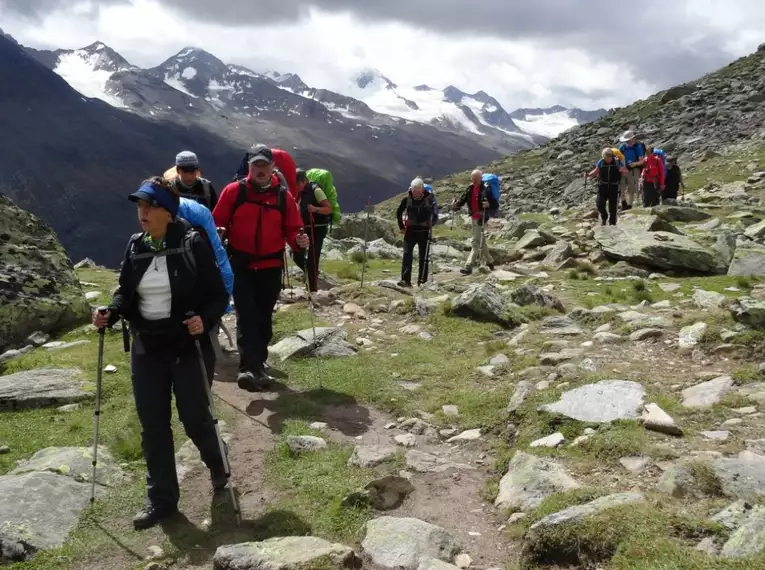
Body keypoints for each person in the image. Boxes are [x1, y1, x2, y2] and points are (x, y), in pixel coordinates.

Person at [92, 177, 228, 530]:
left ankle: (217, 463)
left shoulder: (191, 243)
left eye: (149, 206)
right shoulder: (136, 246)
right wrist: (111, 311)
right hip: (147, 347)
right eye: (139, 206)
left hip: (186, 345)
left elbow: (217, 295)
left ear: (168, 212)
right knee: (153, 425)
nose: (143, 213)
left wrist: (205, 319)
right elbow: (125, 291)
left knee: (195, 417)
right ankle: (161, 500)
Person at [213, 145, 308, 392]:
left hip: (270, 265)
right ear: (249, 167)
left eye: (265, 165)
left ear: (272, 167)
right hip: (241, 264)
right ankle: (248, 369)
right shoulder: (234, 191)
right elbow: (217, 221)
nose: (260, 170)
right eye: (256, 165)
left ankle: (259, 364)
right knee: (246, 316)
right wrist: (219, 232)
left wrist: (298, 241)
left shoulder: (283, 197)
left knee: (264, 318)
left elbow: (292, 229)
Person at [292, 169, 332, 293]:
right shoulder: (301, 194)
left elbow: (328, 209)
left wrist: (315, 209)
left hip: (318, 229)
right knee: (297, 256)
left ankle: (313, 289)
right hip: (305, 228)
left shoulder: (316, 190)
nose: (296, 187)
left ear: (304, 181)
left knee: (313, 259)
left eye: (298, 184)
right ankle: (312, 273)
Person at [452, 169, 497, 275]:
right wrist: (455, 206)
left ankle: (468, 266)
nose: (473, 181)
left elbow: (495, 204)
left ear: (480, 179)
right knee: (481, 240)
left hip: (482, 218)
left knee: (475, 242)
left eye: (476, 179)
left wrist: (488, 205)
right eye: (472, 179)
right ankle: (490, 262)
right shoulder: (470, 188)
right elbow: (462, 201)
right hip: (473, 217)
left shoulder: (486, 189)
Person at [396, 178, 436, 287]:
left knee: (423, 257)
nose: (415, 192)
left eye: (417, 190)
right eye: (414, 190)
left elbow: (434, 214)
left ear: (422, 189)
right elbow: (399, 212)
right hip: (410, 232)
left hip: (424, 232)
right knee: (406, 255)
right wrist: (401, 226)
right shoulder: (407, 199)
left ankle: (422, 280)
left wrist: (431, 224)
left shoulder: (429, 199)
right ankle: (405, 280)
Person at [586, 148, 625, 226]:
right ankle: (604, 217)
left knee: (613, 207)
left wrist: (623, 174)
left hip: (614, 187)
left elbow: (623, 171)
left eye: (607, 158)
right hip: (602, 186)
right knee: (599, 204)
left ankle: (612, 223)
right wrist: (589, 175)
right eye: (605, 158)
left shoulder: (617, 162)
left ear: (611, 156)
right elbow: (596, 171)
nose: (606, 160)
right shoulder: (601, 162)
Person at [617, 130, 647, 211]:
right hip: (623, 170)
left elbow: (642, 160)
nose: (627, 141)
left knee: (631, 189)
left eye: (628, 139)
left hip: (634, 170)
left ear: (632, 138)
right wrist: (621, 167)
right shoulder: (622, 147)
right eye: (626, 140)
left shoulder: (638, 147)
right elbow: (618, 159)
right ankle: (623, 203)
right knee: (621, 189)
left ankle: (629, 206)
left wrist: (635, 164)